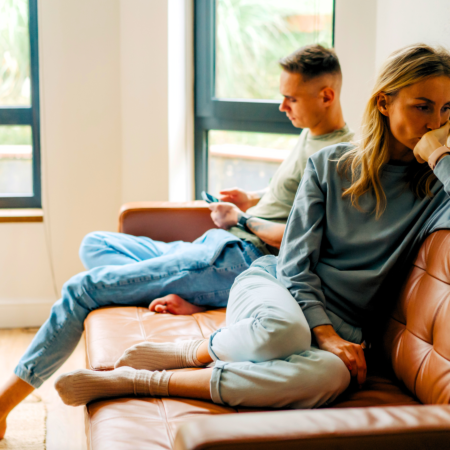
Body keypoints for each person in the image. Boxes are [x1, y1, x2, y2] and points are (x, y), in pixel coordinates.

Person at [54, 43, 450, 410]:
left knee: (331, 376)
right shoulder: (330, 165)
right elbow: (294, 263)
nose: (435, 122)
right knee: (287, 333)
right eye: (423, 107)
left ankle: (144, 380)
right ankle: (198, 351)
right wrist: (325, 333)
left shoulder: (436, 187)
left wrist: (440, 157)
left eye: (448, 110)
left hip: (344, 323)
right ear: (385, 103)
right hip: (278, 287)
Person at [0, 44, 353, 439]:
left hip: (239, 256)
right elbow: (288, 202)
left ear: (326, 95)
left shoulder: (339, 158)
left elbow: (300, 238)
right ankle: (193, 289)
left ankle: (4, 403)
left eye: (291, 98)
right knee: (95, 244)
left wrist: (244, 219)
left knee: (82, 289)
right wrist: (251, 199)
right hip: (216, 245)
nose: (282, 107)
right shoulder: (310, 134)